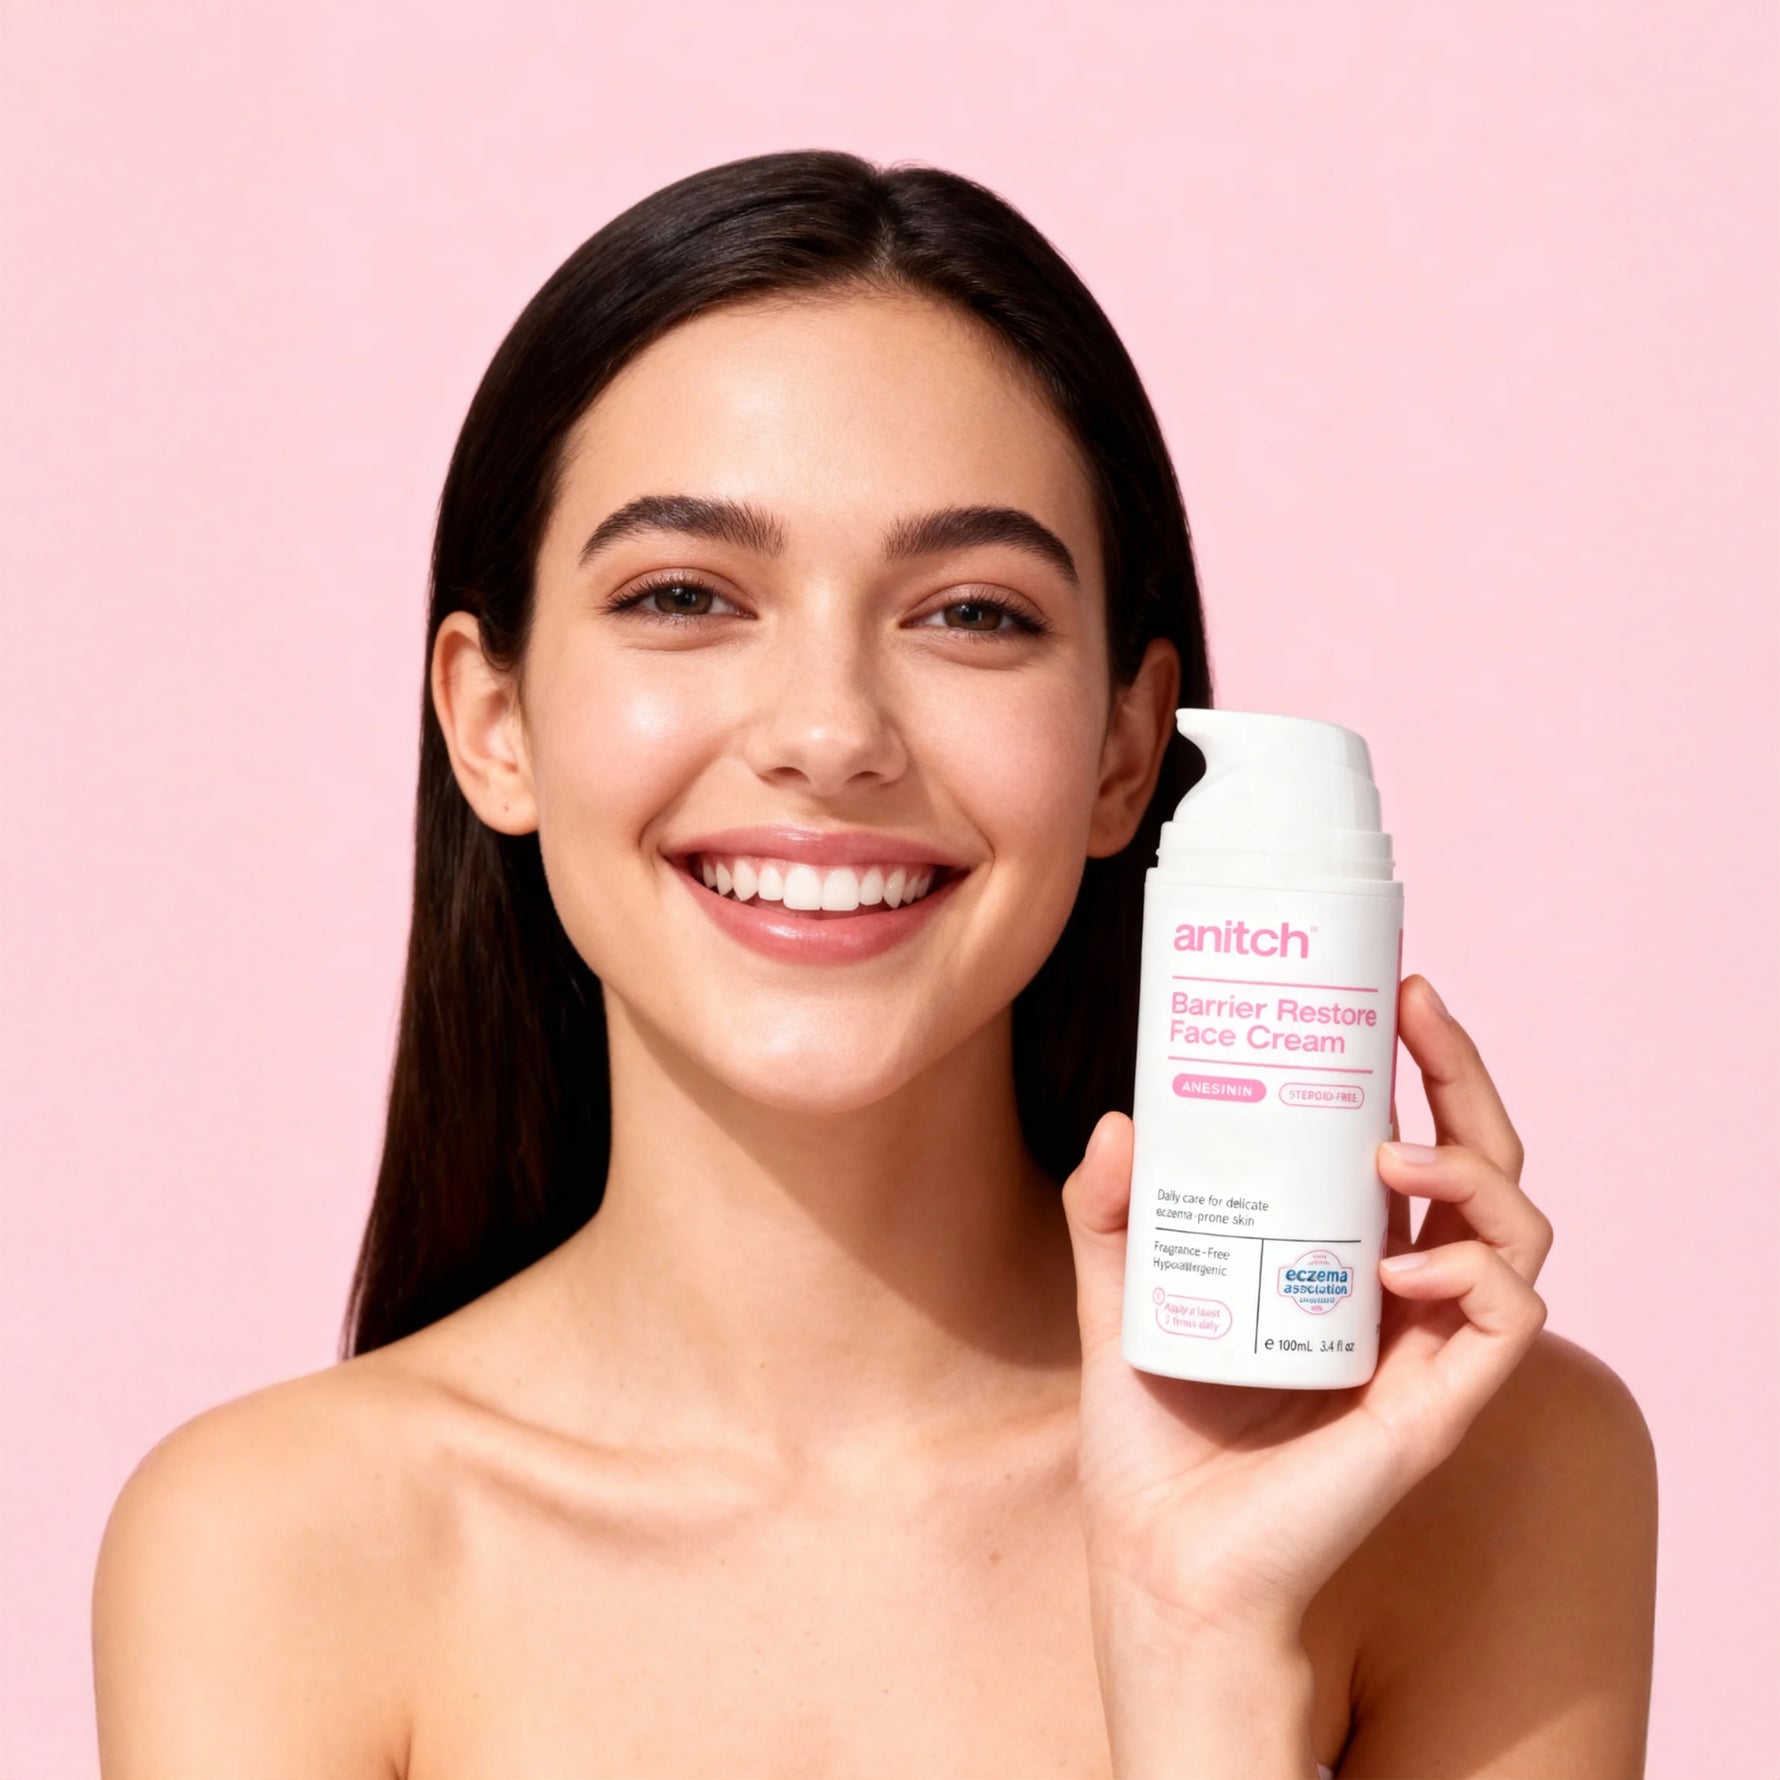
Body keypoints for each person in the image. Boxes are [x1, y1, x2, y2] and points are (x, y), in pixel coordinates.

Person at [92, 150, 1657, 1778]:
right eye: (686, 595)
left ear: (1130, 748)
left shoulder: (1476, 1473)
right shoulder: (270, 1551)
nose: (831, 734)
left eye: (972, 614)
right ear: (494, 725)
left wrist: (1201, 1653)